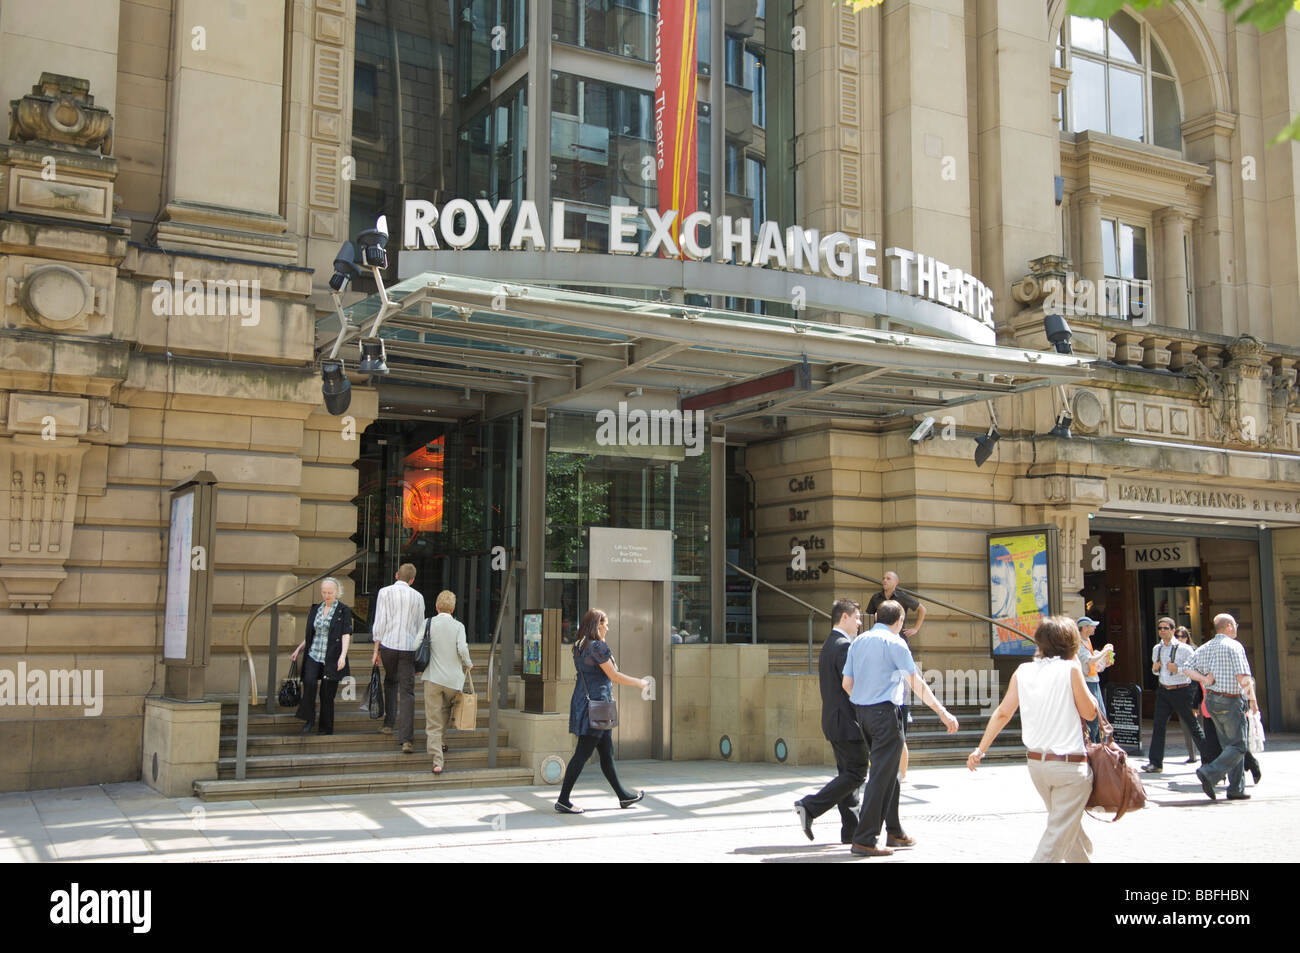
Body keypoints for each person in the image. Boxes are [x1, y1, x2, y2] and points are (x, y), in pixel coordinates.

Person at [967, 616, 1098, 863]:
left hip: (1037, 765)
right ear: (1071, 643)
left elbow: (1003, 712)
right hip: (1069, 766)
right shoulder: (1070, 669)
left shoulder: (1023, 670)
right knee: (1058, 834)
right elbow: (1090, 712)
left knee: (1063, 827)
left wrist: (980, 749)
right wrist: (1084, 683)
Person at [842, 600, 958, 857]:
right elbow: (916, 683)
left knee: (889, 771)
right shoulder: (896, 643)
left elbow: (847, 683)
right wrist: (942, 712)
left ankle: (893, 831)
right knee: (882, 776)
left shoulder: (858, 642)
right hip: (885, 714)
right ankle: (864, 839)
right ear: (900, 621)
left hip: (862, 712)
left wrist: (864, 701)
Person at [555, 608, 649, 814]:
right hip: (597, 706)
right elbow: (614, 676)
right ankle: (563, 800)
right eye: (605, 623)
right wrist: (639, 682)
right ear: (597, 625)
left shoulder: (580, 646)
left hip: (588, 703)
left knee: (606, 753)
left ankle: (623, 796)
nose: (608, 627)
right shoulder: (597, 647)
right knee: (582, 752)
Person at [794, 598, 867, 845]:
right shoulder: (844, 646)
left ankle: (851, 830)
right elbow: (851, 686)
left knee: (847, 775)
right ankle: (810, 806)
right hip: (847, 723)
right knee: (857, 773)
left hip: (835, 721)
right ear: (843, 617)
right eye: (856, 617)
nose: (859, 622)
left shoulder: (830, 643)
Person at [1180, 613, 1259, 801]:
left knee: (1229, 746)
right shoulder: (1234, 646)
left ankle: (1236, 788)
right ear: (1229, 626)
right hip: (1230, 699)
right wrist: (1252, 699)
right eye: (1235, 625)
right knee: (1239, 746)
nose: (1237, 628)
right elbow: (1243, 677)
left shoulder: (1206, 647)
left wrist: (1204, 679)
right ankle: (1209, 772)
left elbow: (1186, 668)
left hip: (1212, 700)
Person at [866, 572, 926, 780]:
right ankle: (886, 772)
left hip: (892, 694)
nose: (884, 581)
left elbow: (922, 609)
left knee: (899, 733)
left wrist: (915, 629)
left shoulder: (902, 597)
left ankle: (901, 774)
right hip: (878, 699)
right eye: (883, 578)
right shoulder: (876, 599)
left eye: (889, 579)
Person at [370, 563, 427, 754]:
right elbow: (420, 627)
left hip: (388, 645)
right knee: (408, 692)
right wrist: (420, 660)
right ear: (412, 580)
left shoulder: (384, 593)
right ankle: (406, 740)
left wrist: (376, 650)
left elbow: (380, 621)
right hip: (409, 648)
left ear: (396, 575)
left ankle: (388, 723)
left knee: (390, 681)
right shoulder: (418, 597)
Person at [1141, 617, 1207, 774]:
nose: (1162, 631)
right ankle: (1155, 763)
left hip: (1181, 690)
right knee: (1158, 726)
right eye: (1160, 628)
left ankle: (1209, 760)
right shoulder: (1157, 649)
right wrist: (1154, 669)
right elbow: (1156, 671)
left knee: (1193, 725)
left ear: (1172, 630)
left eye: (1165, 628)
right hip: (1164, 690)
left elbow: (1196, 667)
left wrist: (1177, 668)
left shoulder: (1184, 649)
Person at [289, 577, 352, 735]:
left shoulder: (343, 610)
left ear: (337, 592)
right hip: (314, 653)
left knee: (326, 693)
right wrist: (299, 649)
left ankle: (325, 727)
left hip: (332, 655)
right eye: (324, 592)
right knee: (309, 682)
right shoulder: (316, 608)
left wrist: (343, 656)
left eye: (330, 592)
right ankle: (309, 718)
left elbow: (346, 634)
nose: (327, 595)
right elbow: (312, 634)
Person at [421, 590, 473, 775]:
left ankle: (437, 760)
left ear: (436, 607)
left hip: (433, 678)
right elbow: (462, 648)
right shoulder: (458, 626)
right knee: (446, 711)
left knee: (433, 720)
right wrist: (468, 663)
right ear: (452, 608)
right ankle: (441, 742)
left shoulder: (427, 623)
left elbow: (414, 646)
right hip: (453, 680)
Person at [1075, 616, 1112, 742]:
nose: (1095, 628)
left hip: (1093, 681)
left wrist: (1104, 661)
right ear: (1085, 628)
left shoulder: (1087, 641)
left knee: (1101, 715)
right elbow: (1089, 661)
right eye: (1092, 626)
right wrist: (1104, 651)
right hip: (1087, 684)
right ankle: (1093, 746)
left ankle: (1099, 744)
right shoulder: (1079, 644)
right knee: (1093, 716)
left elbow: (1093, 664)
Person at [1173, 627, 1201, 763]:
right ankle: (1192, 755)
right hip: (1179, 691)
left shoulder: (1193, 651)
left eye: (1182, 636)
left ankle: (1205, 753)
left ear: (1187, 637)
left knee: (1197, 724)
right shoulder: (1171, 650)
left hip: (1194, 692)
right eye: (1177, 636)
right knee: (1185, 724)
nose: (1179, 639)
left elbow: (1196, 673)